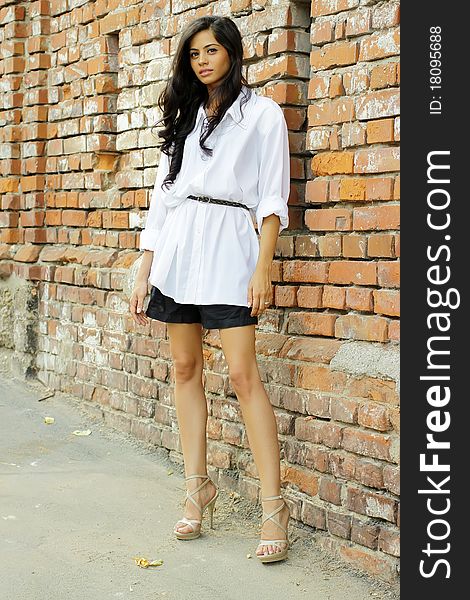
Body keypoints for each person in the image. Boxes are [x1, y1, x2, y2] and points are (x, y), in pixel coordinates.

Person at [129, 15, 291, 564]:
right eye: (194, 52)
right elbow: (163, 196)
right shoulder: (185, 116)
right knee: (184, 369)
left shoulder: (262, 114)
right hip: (178, 252)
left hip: (229, 252)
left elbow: (272, 199)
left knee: (244, 375)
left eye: (212, 50)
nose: (202, 60)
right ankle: (197, 488)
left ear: (232, 53)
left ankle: (274, 504)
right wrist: (144, 264)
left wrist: (263, 267)